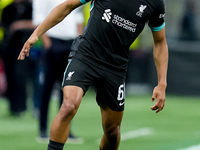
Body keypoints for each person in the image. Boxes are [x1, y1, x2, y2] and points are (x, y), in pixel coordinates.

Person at [18, 0, 168, 149]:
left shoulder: (155, 4)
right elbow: (67, 6)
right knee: (69, 106)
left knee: (113, 131)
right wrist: (36, 34)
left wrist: (162, 83)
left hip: (115, 67)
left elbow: (160, 42)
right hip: (86, 56)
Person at [32, 0, 84, 143]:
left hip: (71, 43)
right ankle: (43, 129)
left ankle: (65, 130)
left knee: (68, 88)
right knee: (46, 88)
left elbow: (78, 17)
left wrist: (79, 41)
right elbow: (38, 19)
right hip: (53, 42)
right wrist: (47, 43)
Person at [2, 0, 36, 116]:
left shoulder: (30, 7)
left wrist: (21, 24)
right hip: (8, 48)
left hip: (23, 47)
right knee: (10, 77)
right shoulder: (8, 9)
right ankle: (13, 107)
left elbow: (36, 24)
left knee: (20, 76)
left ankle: (22, 106)